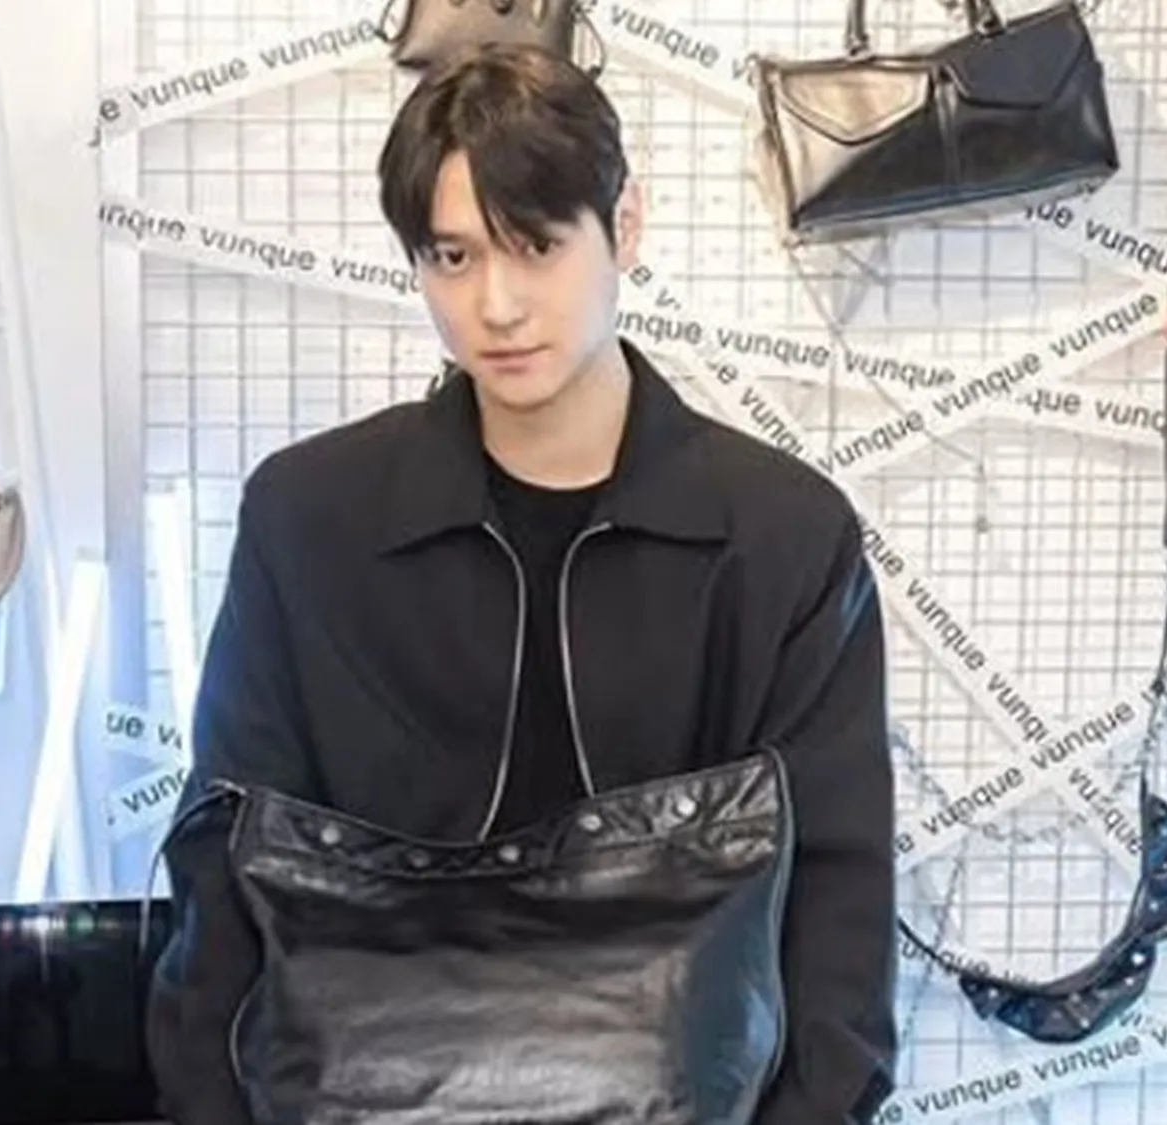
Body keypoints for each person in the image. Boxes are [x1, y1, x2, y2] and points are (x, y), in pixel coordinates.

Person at [145, 42, 898, 1125]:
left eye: (535, 245)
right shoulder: (308, 519)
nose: (494, 305)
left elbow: (836, 912)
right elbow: (225, 876)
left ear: (623, 226)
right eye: (451, 257)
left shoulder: (779, 536)